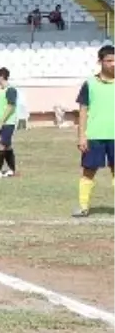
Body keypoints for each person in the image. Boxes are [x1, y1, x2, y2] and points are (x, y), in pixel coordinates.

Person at [74, 44, 115, 217]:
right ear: (100, 62)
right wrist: (82, 136)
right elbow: (83, 111)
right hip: (95, 136)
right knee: (88, 171)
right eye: (109, 60)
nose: (113, 64)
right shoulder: (89, 84)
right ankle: (83, 206)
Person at [0, 67, 19, 178]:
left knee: (1, 145)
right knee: (7, 146)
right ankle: (12, 170)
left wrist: (2, 121)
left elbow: (11, 106)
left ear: (1, 77)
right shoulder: (1, 91)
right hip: (0, 123)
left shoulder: (10, 90)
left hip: (8, 123)